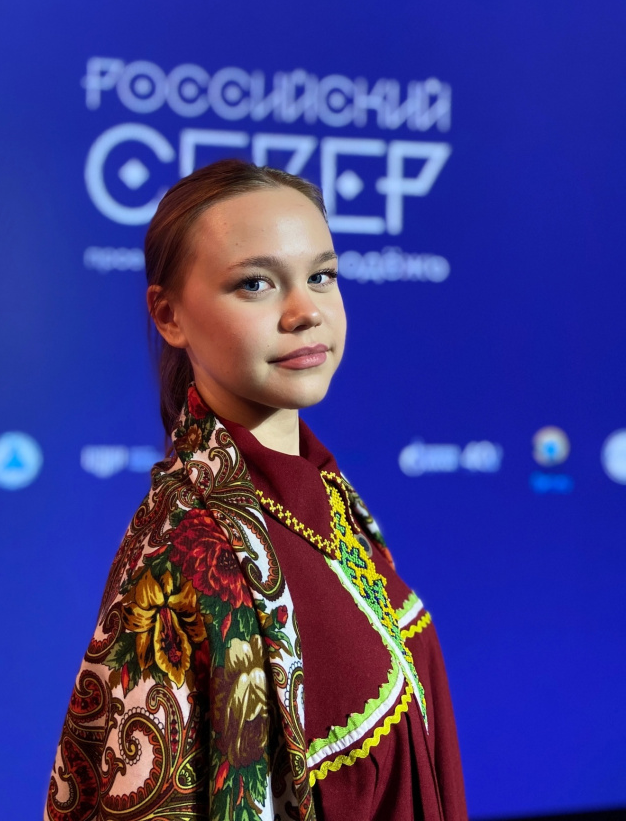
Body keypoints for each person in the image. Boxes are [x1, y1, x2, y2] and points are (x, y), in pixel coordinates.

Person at [45, 159, 468, 821]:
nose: (305, 312)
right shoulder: (184, 559)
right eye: (255, 284)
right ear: (169, 315)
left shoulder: (326, 494)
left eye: (321, 276)